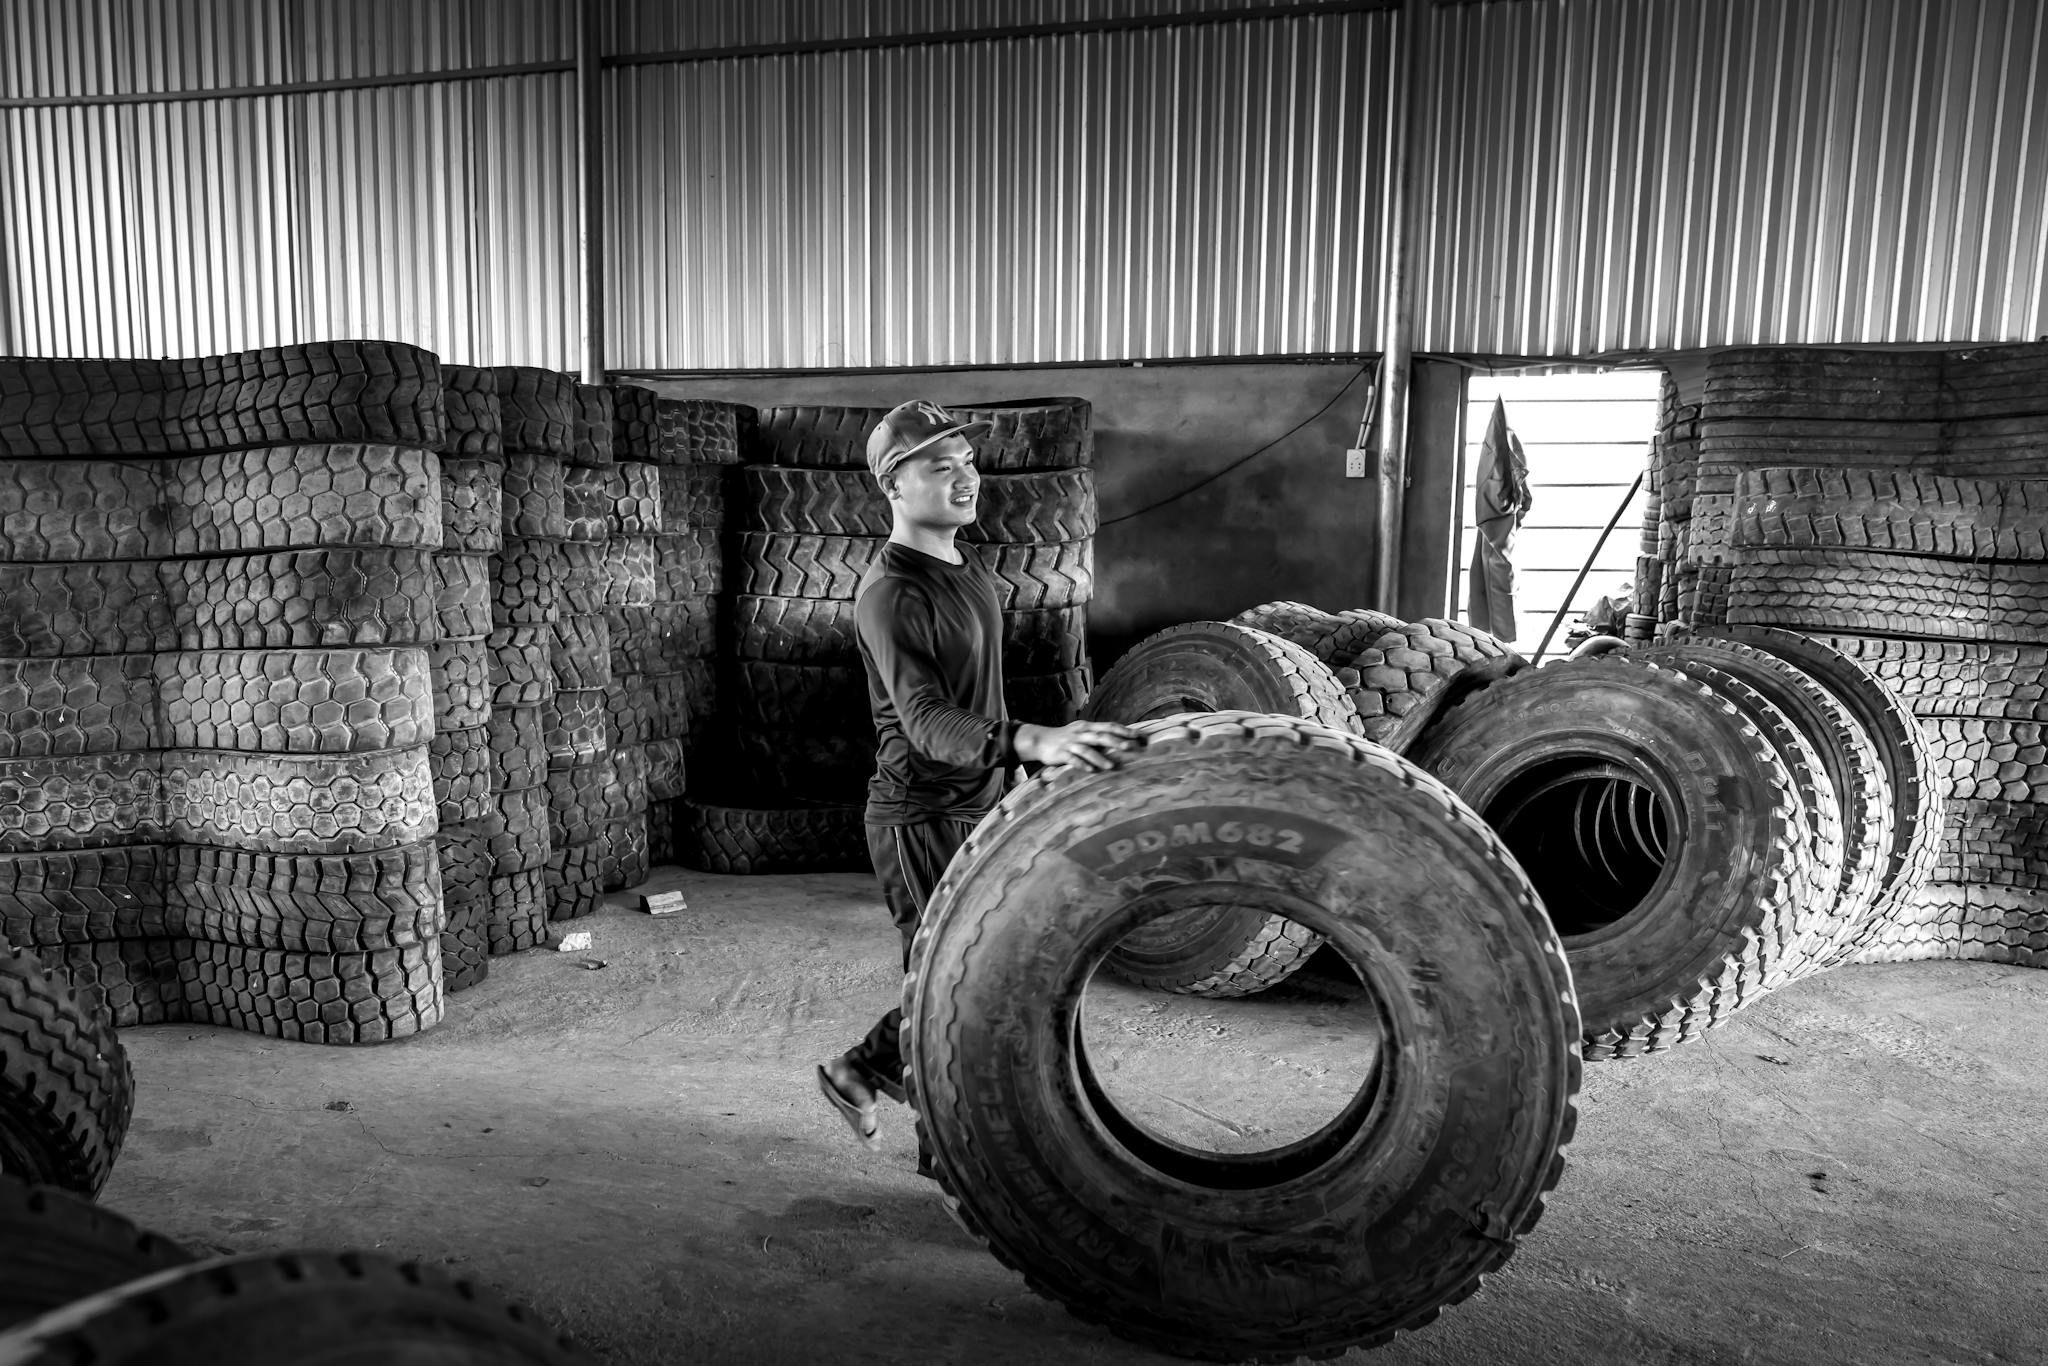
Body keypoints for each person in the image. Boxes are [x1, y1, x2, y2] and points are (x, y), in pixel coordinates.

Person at [815, 398, 1136, 1161]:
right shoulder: (892, 594)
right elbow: (925, 721)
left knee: (974, 975)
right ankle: (951, 1154)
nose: (966, 479)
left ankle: (860, 1073)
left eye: (968, 464)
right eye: (940, 466)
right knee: (955, 992)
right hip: (921, 815)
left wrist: (1020, 771)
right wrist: (1029, 739)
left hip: (978, 799)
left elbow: (974, 696)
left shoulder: (964, 568)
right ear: (894, 486)